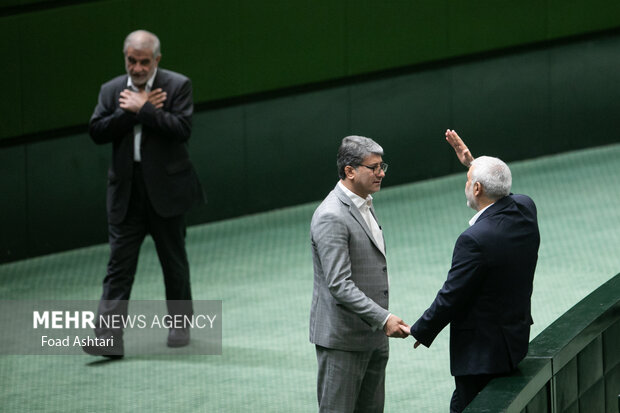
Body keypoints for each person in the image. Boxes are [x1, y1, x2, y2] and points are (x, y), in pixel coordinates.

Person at [85, 30, 204, 358]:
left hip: (167, 191)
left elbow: (182, 130)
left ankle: (180, 324)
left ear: (157, 60)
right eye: (131, 61)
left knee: (174, 263)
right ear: (126, 58)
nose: (137, 68)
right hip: (126, 193)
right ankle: (109, 338)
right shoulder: (111, 91)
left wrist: (145, 109)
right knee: (118, 266)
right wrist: (131, 111)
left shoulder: (178, 85)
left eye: (144, 62)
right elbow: (97, 131)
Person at [402, 130, 540, 412]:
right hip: (513, 343)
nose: (466, 184)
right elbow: (501, 190)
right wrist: (473, 164)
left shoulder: (474, 240)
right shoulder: (526, 209)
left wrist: (420, 329)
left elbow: (452, 295)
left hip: (482, 358)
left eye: (469, 180)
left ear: (477, 189)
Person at [310, 135, 409, 412]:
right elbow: (339, 284)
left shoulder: (364, 202)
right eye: (374, 167)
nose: (381, 173)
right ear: (349, 171)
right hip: (344, 342)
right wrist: (384, 318)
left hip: (373, 339)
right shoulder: (331, 216)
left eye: (382, 166)